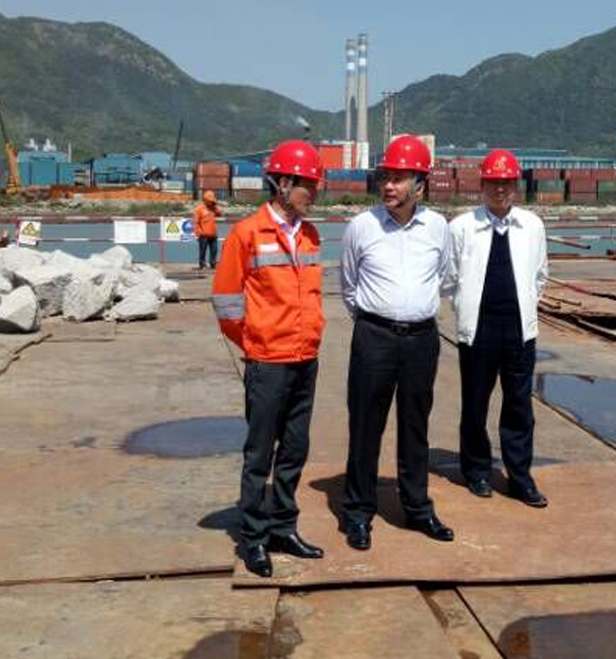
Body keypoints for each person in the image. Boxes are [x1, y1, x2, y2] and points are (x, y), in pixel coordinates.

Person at [211, 140, 326, 577]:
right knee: (260, 454)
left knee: (295, 450)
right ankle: (254, 538)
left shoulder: (310, 234)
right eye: (308, 185)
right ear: (282, 183)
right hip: (267, 362)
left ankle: (283, 527)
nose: (314, 193)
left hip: (305, 358)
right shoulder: (246, 234)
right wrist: (255, 341)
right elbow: (226, 302)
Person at [340, 134, 453, 551]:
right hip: (374, 338)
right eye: (385, 177)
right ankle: (358, 513)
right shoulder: (361, 227)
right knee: (365, 426)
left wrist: (413, 309)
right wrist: (379, 319)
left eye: (398, 178)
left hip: (422, 340)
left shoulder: (438, 227)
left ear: (419, 185)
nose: (388, 185)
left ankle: (418, 508)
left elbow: (445, 276)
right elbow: (348, 286)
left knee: (415, 426)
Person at [446, 149, 549, 508]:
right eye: (493, 182)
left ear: (516, 185)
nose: (500, 189)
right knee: (475, 404)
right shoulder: (461, 227)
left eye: (506, 182)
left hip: (520, 331)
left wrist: (525, 307)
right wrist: (465, 308)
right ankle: (476, 471)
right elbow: (449, 278)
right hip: (479, 331)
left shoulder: (532, 226)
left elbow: (540, 275)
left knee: (519, 406)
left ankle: (520, 477)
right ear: (482, 185)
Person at [193, 190, 223, 269]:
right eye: (210, 201)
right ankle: (202, 264)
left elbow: (220, 213)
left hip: (213, 234)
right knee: (203, 250)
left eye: (212, 201)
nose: (211, 202)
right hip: (203, 234)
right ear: (205, 200)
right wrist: (198, 232)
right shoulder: (199, 209)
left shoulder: (213, 208)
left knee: (214, 250)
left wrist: (215, 205)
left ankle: (213, 264)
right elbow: (195, 222)